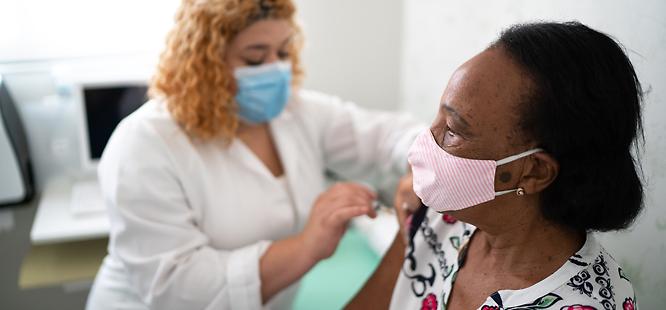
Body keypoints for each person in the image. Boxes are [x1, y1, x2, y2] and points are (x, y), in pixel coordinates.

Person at [85, 0, 423, 309]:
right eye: (255, 58)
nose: (275, 68)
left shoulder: (297, 113)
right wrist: (308, 245)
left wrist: (430, 164)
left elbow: (388, 135)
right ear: (206, 62)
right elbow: (178, 287)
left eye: (284, 52)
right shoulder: (146, 142)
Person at [348, 21, 643, 310]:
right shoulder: (441, 219)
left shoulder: (581, 304)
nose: (423, 144)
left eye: (452, 130)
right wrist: (406, 235)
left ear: (534, 171)